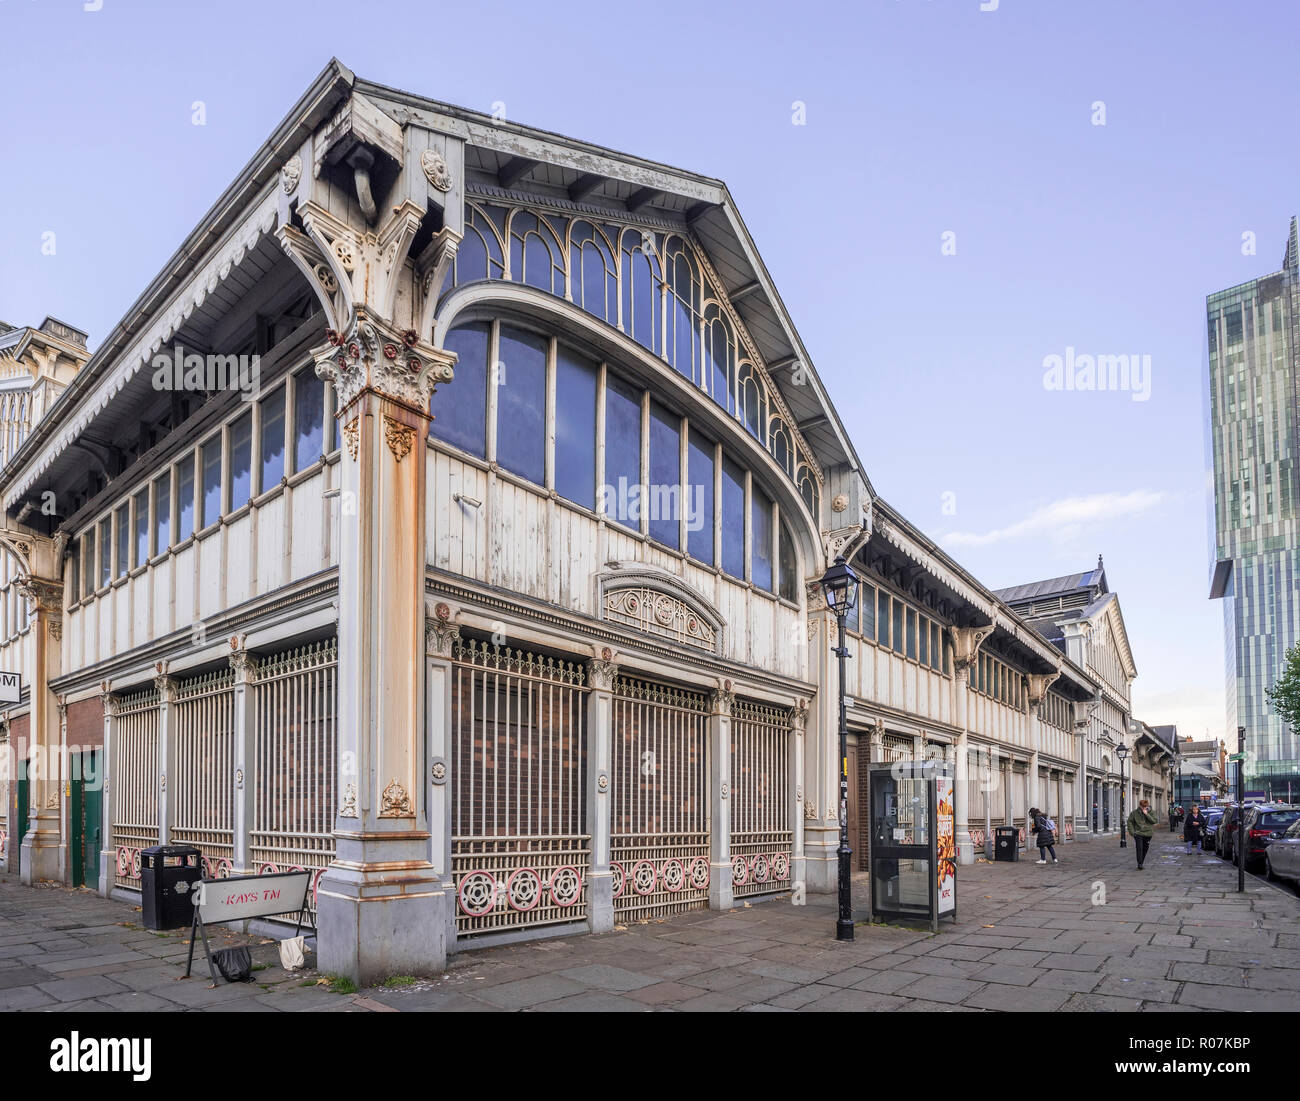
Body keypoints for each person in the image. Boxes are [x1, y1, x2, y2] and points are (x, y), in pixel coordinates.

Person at [1128, 798, 1158, 869]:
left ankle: (1141, 861)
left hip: (1148, 834)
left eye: (1146, 807)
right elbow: (1130, 822)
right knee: (1139, 848)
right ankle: (1140, 864)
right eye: (1143, 807)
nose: (1144, 808)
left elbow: (1154, 821)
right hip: (1138, 834)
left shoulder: (1152, 812)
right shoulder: (1134, 813)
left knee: (1145, 848)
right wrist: (1132, 832)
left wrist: (1147, 814)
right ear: (1140, 806)